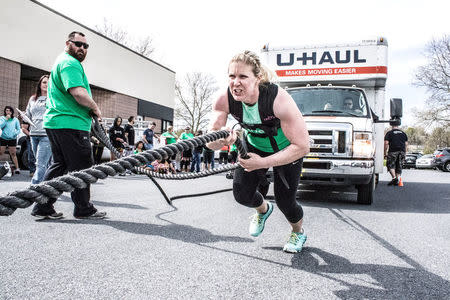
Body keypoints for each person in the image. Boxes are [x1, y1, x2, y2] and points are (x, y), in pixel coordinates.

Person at [207, 51, 310, 253]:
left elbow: (302, 146)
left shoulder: (278, 99)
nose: (236, 83)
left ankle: (298, 232)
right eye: (231, 76)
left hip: (287, 150)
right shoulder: (224, 99)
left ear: (257, 78)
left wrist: (262, 163)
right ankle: (263, 210)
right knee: (242, 195)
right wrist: (220, 139)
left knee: (285, 201)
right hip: (254, 147)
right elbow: (210, 142)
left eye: (243, 77)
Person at [31, 31, 106, 220]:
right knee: (82, 167)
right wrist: (95, 108)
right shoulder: (70, 63)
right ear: (68, 43)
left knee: (60, 165)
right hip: (70, 123)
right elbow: (78, 93)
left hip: (58, 122)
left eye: (85, 46)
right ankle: (83, 208)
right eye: (78, 44)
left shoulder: (62, 61)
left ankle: (43, 206)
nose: (82, 48)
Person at [25, 74, 53, 184]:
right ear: (40, 84)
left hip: (46, 135)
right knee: (42, 163)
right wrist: (24, 116)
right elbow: (28, 114)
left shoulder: (53, 98)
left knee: (40, 164)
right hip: (33, 134)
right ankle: (49, 185)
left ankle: (34, 186)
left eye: (48, 82)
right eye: (44, 82)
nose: (46, 84)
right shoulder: (33, 98)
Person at [384, 119, 408, 186]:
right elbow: (406, 144)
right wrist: (405, 153)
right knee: (399, 165)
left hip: (393, 151)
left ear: (391, 125)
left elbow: (386, 143)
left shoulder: (389, 133)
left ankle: (394, 178)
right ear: (398, 125)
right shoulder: (403, 133)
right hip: (402, 151)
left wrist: (385, 152)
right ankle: (396, 179)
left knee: (390, 164)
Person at [0, 106, 21, 174]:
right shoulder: (2, 118)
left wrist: (15, 134)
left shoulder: (15, 119)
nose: (8, 112)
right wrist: (6, 119)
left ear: (12, 112)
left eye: (9, 111)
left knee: (13, 153)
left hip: (12, 138)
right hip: (3, 138)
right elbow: (0, 126)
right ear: (5, 111)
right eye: (6, 110)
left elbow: (18, 129)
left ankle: (17, 168)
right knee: (1, 152)